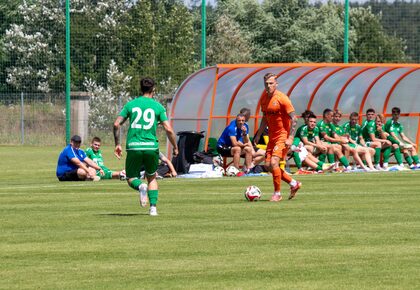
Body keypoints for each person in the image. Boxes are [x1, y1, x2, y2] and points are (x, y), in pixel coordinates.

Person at [113, 77, 178, 216]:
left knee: (131, 177)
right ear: (153, 89)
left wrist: (117, 144)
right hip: (151, 147)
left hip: (134, 146)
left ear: (140, 89)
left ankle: (140, 186)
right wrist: (175, 146)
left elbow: (116, 124)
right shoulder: (158, 107)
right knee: (152, 177)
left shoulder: (131, 105)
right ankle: (153, 208)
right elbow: (169, 129)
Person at [254, 73, 301, 202]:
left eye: (271, 83)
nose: (268, 86)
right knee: (269, 165)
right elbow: (265, 117)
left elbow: (294, 119)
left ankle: (277, 193)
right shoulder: (263, 98)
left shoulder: (282, 98)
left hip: (282, 136)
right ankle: (293, 183)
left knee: (274, 162)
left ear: (276, 84)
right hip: (271, 136)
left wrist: (290, 137)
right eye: (266, 84)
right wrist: (258, 135)